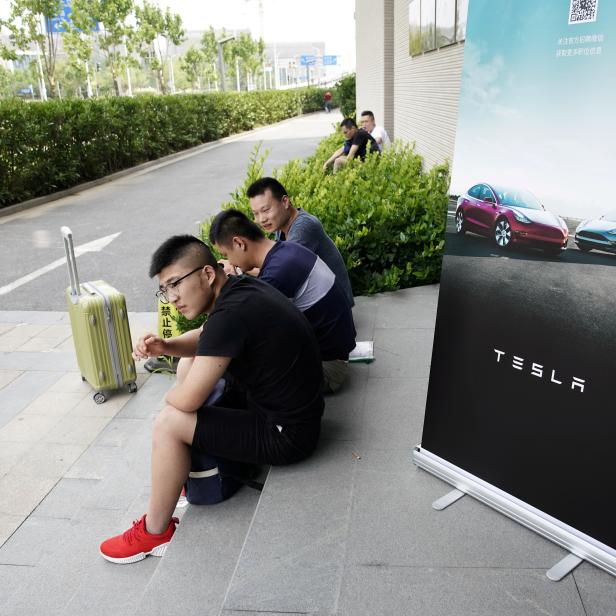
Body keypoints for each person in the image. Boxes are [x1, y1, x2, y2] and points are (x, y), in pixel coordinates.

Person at [99, 235, 323, 564]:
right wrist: (165, 346)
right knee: (189, 364)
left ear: (206, 274)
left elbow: (187, 401)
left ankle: (154, 532)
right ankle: (180, 473)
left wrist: (171, 406)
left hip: (288, 435)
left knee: (169, 422)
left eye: (176, 283)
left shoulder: (230, 315)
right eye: (165, 289)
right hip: (296, 412)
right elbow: (207, 339)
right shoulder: (240, 290)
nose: (172, 297)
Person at [209, 209, 356, 393]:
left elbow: (244, 324)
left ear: (239, 243)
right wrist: (238, 273)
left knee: (235, 364)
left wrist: (226, 284)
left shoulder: (278, 274)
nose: (229, 261)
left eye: (226, 254)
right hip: (336, 355)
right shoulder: (285, 250)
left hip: (328, 369)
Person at [246, 177, 355, 308]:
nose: (261, 219)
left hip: (334, 306)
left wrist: (242, 266)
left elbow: (280, 272)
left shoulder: (303, 226)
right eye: (255, 214)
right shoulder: (281, 227)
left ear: (285, 202)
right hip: (322, 299)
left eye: (265, 210)